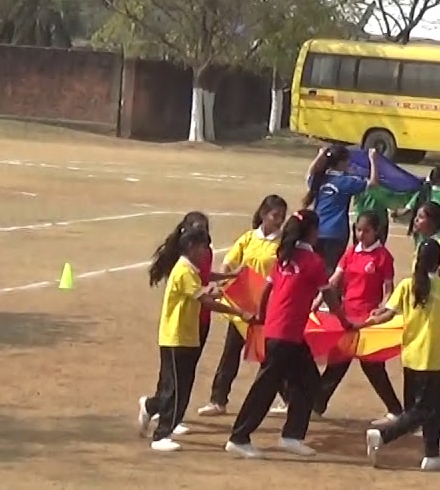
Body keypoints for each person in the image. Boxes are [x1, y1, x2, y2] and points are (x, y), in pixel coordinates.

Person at [225, 210, 350, 460]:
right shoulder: (312, 261)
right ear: (312, 232)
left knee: (308, 382)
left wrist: (262, 316)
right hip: (286, 335)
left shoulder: (284, 257)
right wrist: (345, 321)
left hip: (282, 332)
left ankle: (292, 436)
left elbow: (266, 290)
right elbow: (328, 295)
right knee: (266, 388)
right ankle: (239, 437)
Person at [138, 226, 251, 452]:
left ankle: (151, 407)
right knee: (176, 389)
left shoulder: (192, 270)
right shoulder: (184, 271)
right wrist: (237, 311)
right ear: (191, 247)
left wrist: (223, 283)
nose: (206, 252)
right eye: (203, 247)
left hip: (187, 336)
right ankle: (161, 434)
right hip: (176, 337)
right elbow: (206, 301)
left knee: (181, 387)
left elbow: (205, 290)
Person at [359, 239, 440, 471]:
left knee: (427, 408)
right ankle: (382, 435)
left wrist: (367, 323)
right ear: (439, 262)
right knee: (424, 409)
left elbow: (387, 314)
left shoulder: (406, 285)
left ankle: (432, 454)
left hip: (410, 355)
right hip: (431, 356)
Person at [198, 195, 287, 417]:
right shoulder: (248, 238)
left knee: (269, 355)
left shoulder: (283, 243)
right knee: (230, 352)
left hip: (267, 307)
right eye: (275, 215)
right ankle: (218, 400)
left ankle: (288, 397)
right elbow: (229, 262)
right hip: (243, 305)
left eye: (281, 217)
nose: (279, 220)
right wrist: (223, 282)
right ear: (264, 214)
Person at [313, 211, 403, 423]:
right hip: (346, 316)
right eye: (358, 230)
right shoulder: (351, 252)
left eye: (366, 230)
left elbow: (389, 289)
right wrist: (317, 301)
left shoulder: (383, 257)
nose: (361, 234)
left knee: (372, 366)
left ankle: (395, 410)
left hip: (367, 320)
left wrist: (383, 309)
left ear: (376, 231)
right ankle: (317, 405)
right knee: (337, 363)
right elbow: (334, 281)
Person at [303, 145, 379, 274]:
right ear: (341, 163)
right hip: (336, 232)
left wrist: (320, 155)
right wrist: (373, 160)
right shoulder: (346, 182)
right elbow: (373, 183)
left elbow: (309, 174)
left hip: (315, 231)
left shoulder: (320, 179)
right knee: (330, 271)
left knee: (314, 270)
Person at [410, 200, 440, 282]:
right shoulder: (423, 241)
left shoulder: (436, 245)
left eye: (421, 217)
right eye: (416, 216)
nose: (416, 220)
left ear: (433, 222)